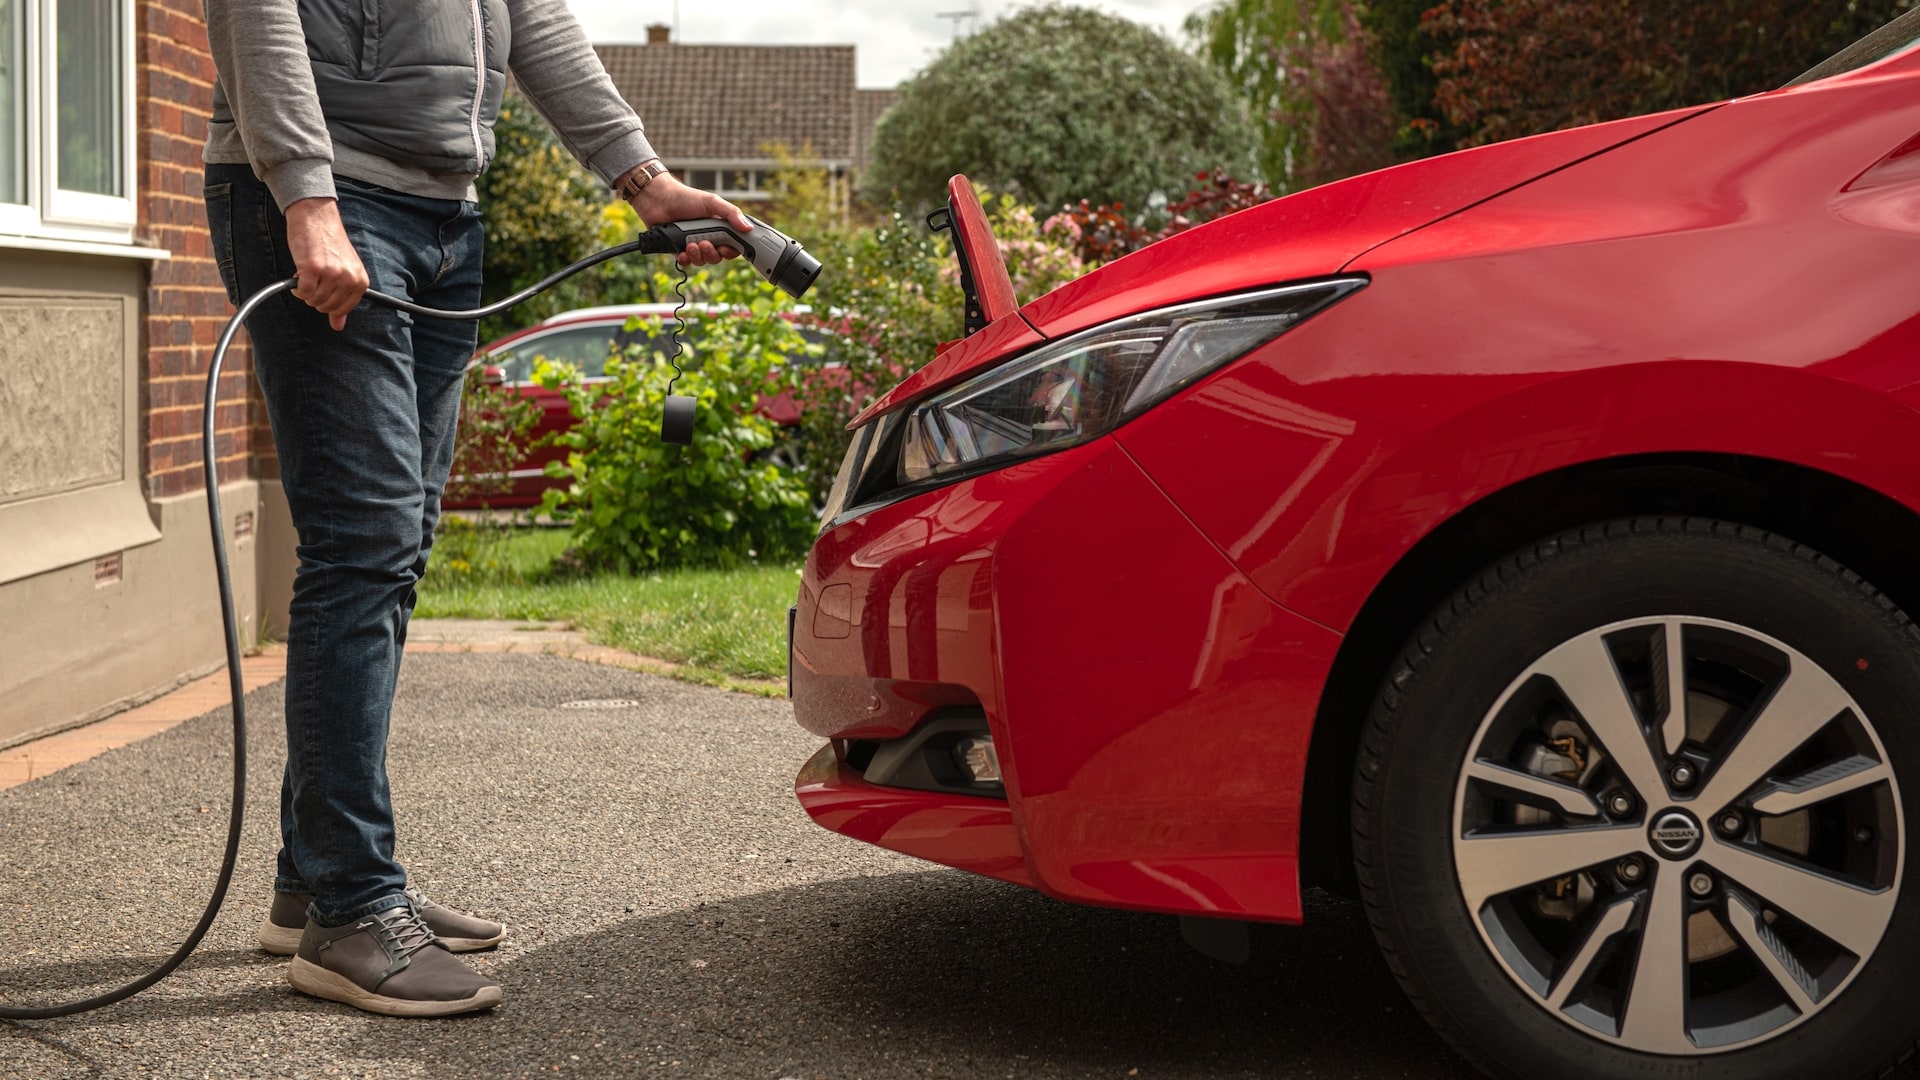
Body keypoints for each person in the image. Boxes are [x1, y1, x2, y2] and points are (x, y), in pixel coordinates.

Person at [200, 0, 747, 1018]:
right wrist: (304, 194)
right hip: (326, 196)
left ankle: (309, 875)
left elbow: (532, 20)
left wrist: (643, 177)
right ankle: (351, 909)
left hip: (443, 212)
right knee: (362, 544)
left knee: (397, 544)